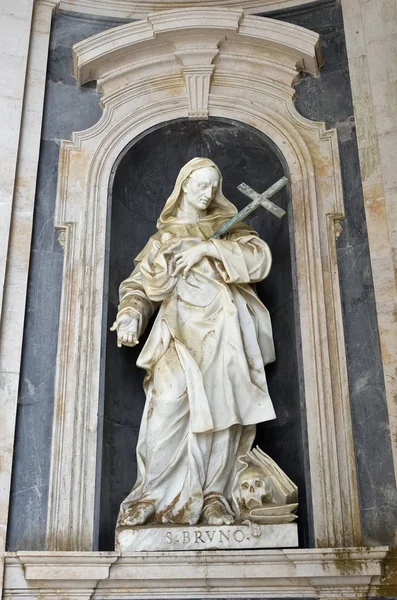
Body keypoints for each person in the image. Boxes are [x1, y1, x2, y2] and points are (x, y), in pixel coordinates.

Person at [111, 157, 276, 527]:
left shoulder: (227, 227)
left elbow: (259, 258)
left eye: (213, 186)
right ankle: (152, 494)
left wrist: (209, 249)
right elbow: (140, 285)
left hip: (225, 332)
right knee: (167, 402)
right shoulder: (164, 238)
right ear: (183, 185)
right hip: (178, 327)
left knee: (223, 413)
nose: (208, 193)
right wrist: (131, 314)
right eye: (201, 185)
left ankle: (215, 495)